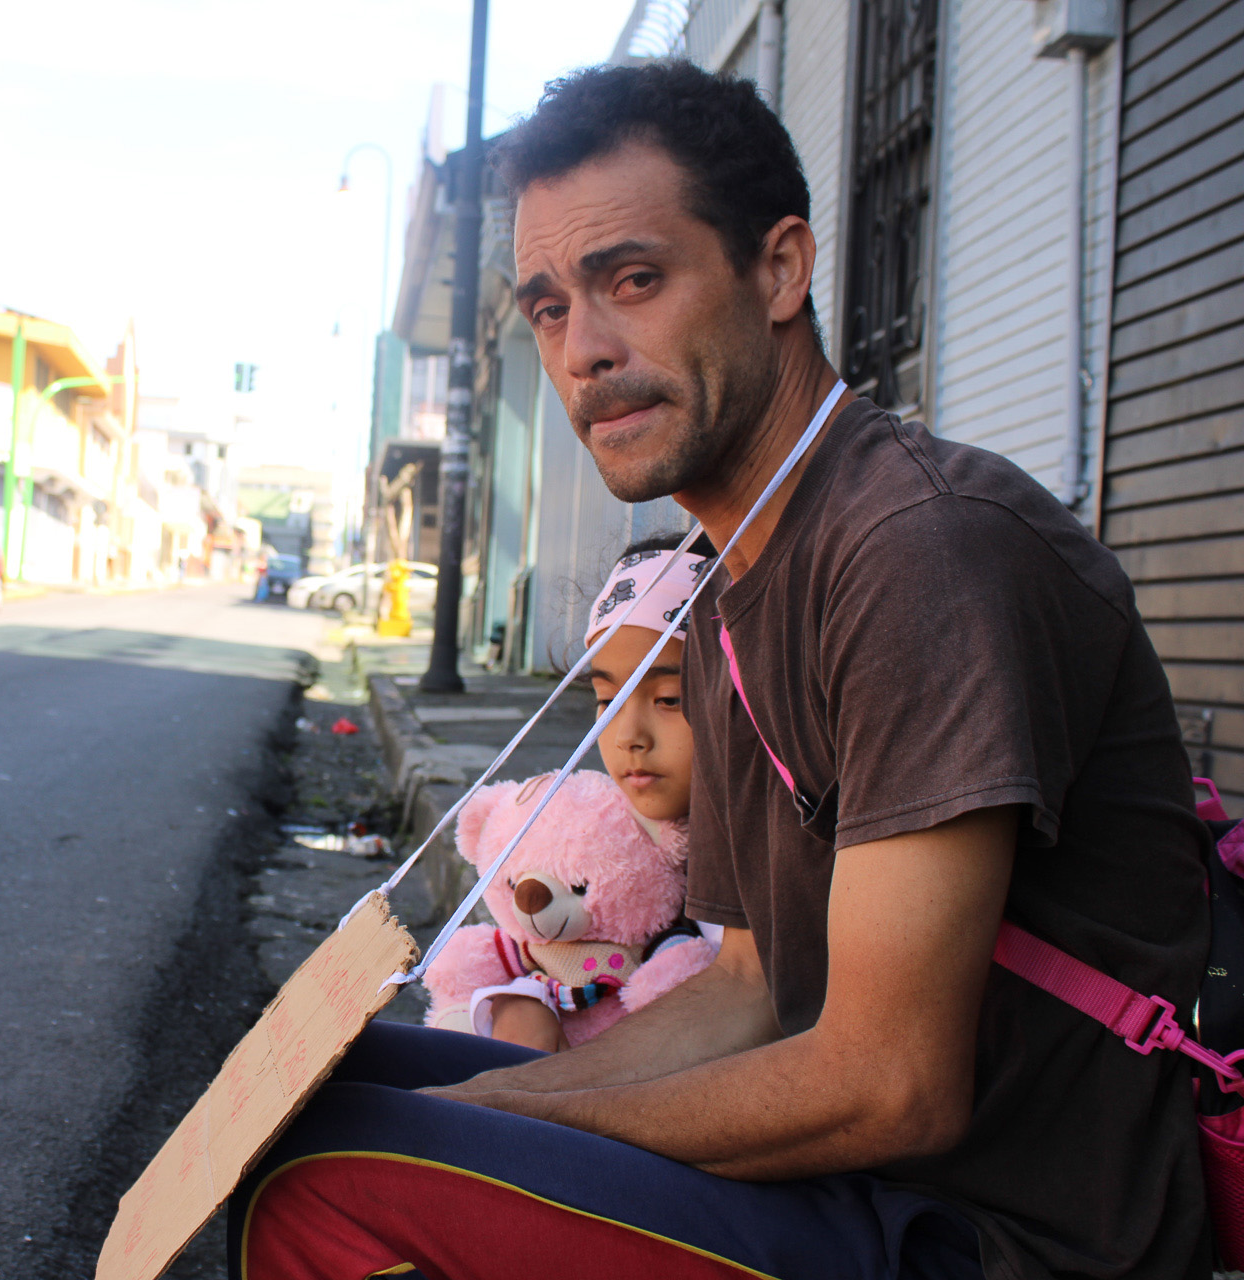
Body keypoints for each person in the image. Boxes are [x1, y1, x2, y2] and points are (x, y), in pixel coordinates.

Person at [228, 60, 1210, 1280]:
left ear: (781, 268)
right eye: (546, 307)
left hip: (991, 1230)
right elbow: (750, 984)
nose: (583, 351)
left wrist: (497, 1123)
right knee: (331, 1086)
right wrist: (485, 1098)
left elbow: (890, 1083)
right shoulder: (731, 574)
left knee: (339, 1181)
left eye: (633, 280)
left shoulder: (916, 553)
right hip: (854, 1178)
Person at [488, 533, 718, 1052]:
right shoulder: (605, 840)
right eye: (608, 699)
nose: (627, 736)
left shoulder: (773, 864)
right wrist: (523, 1000)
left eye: (669, 698)